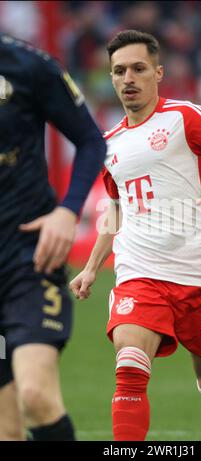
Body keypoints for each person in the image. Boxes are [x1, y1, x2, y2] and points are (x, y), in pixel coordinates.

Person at [69, 29, 201, 441]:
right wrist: (91, 268)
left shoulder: (184, 117)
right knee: (130, 368)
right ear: (111, 79)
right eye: (119, 71)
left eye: (138, 68)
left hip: (197, 271)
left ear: (158, 73)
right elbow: (114, 209)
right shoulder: (108, 144)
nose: (128, 78)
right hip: (138, 271)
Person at [0, 33, 106, 441]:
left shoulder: (29, 66)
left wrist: (67, 210)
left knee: (36, 395)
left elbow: (90, 141)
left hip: (30, 259)